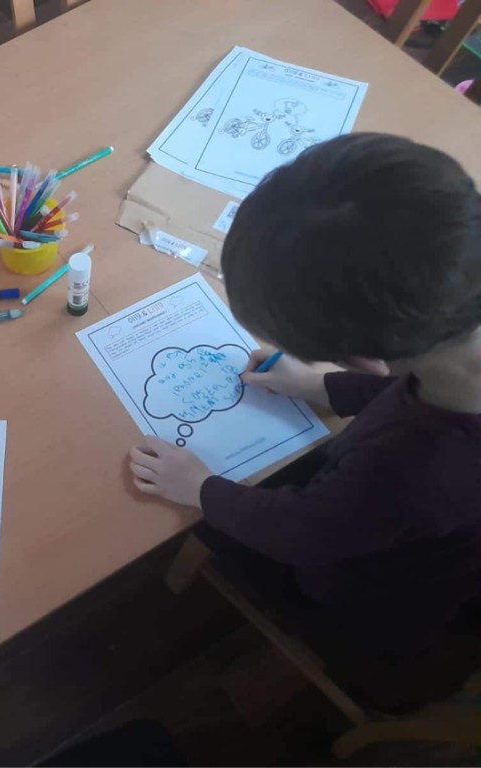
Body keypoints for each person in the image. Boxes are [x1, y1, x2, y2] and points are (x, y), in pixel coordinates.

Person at [127, 134, 481, 707]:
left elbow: (305, 535)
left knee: (201, 526)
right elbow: (413, 376)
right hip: (413, 532)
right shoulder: (456, 330)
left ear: (365, 358)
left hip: (367, 605)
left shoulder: (413, 469)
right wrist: (320, 387)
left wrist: (201, 488)